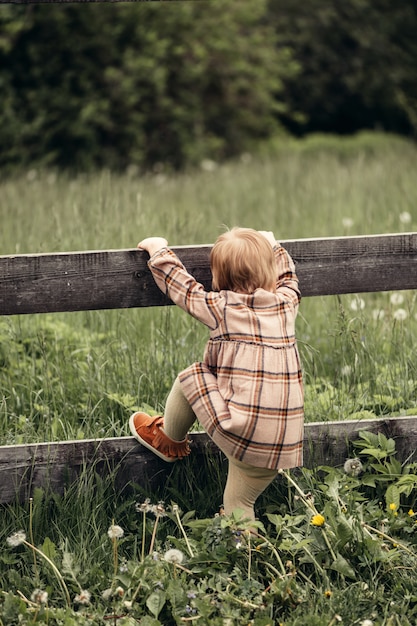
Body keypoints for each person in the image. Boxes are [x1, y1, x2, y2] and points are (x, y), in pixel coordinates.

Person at [129, 227, 304, 523]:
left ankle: (169, 440)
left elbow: (183, 288)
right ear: (269, 272)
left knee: (193, 376)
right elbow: (290, 280)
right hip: (282, 444)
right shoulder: (286, 304)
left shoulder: (221, 307)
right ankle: (249, 558)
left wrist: (159, 251)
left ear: (219, 277)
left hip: (241, 432)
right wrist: (276, 247)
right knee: (239, 505)